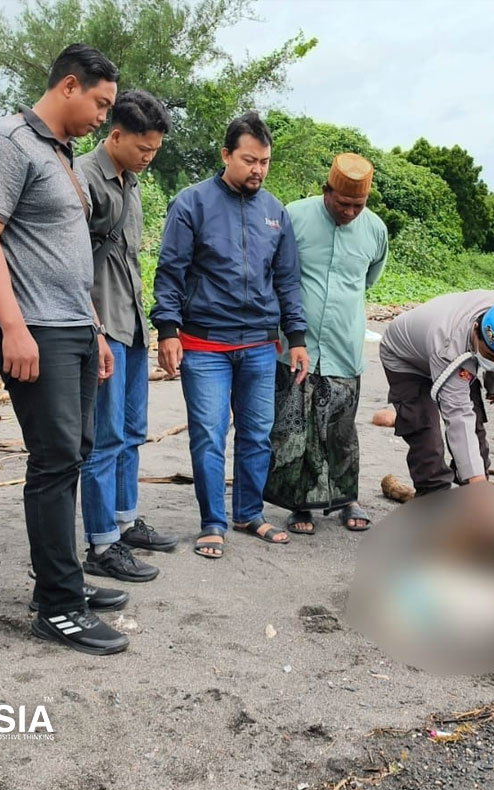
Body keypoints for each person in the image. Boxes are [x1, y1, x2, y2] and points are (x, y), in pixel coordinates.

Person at [0, 43, 130, 656]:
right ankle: (59, 607)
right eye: (100, 104)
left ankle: (60, 580)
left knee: (73, 453)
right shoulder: (5, 143)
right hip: (33, 328)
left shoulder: (59, 153)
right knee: (55, 458)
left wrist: (95, 328)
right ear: (69, 86)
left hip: (72, 326)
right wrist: (12, 327)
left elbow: (67, 253)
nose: (103, 117)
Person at [151, 112, 309, 559]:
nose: (258, 170)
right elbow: (171, 271)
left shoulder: (275, 212)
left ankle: (248, 513)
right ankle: (212, 522)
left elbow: (287, 280)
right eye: (249, 160)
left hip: (259, 344)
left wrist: (296, 337)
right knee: (209, 434)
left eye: (265, 162)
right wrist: (168, 330)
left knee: (257, 434)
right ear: (226, 155)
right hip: (204, 345)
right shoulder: (192, 204)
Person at [76, 90, 179, 576]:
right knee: (104, 438)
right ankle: (101, 545)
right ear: (115, 135)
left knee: (132, 432)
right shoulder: (81, 177)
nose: (148, 157)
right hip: (102, 325)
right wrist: (94, 330)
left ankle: (123, 520)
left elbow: (131, 260)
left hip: (132, 323)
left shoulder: (132, 181)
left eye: (155, 150)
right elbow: (72, 266)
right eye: (143, 148)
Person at [264, 153, 389, 535]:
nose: (349, 212)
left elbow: (368, 280)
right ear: (326, 191)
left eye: (358, 205)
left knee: (340, 428)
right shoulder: (294, 216)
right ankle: (299, 504)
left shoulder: (375, 230)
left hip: (343, 345)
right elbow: (275, 272)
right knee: (293, 427)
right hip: (295, 344)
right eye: (343, 203)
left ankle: (346, 498)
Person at [379, 290, 494, 495]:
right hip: (406, 358)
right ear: (476, 330)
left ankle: (470, 492)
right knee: (425, 430)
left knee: (475, 425)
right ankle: (435, 498)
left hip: (457, 351)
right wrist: (477, 484)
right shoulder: (449, 347)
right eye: (489, 356)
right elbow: (458, 415)